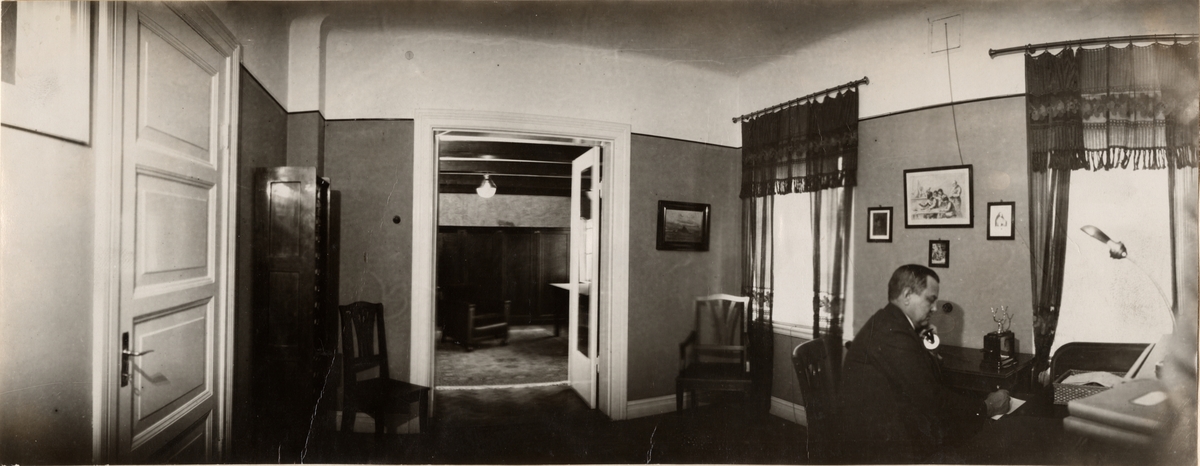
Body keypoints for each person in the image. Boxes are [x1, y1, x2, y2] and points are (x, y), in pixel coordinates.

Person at [836, 264, 1011, 463]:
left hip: (893, 429)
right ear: (907, 295)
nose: (935, 308)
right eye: (930, 299)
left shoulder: (892, 322)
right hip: (881, 449)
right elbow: (933, 399)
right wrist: (987, 407)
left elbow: (925, 384)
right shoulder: (894, 333)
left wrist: (926, 348)